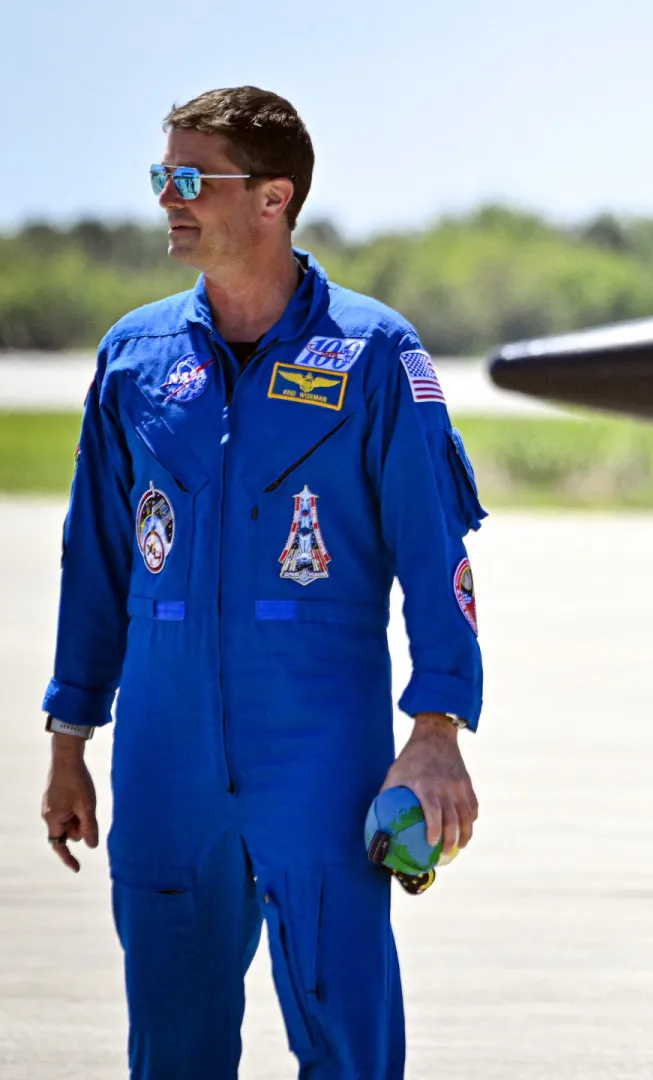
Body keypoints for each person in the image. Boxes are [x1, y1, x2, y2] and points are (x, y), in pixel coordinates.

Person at [37, 87, 485, 1078]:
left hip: (318, 753)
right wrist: (70, 739)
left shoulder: (374, 354)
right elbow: (95, 562)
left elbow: (436, 554)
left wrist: (437, 732)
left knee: (347, 1039)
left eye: (191, 178)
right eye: (161, 176)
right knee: (170, 1046)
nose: (168, 198)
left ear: (274, 196)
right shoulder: (134, 358)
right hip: (163, 759)